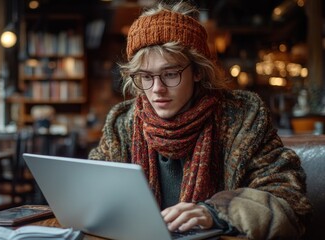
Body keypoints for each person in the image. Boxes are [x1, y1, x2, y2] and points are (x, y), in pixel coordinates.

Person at [88, 1, 312, 239]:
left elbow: (289, 202)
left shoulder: (243, 118)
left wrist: (215, 213)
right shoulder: (123, 122)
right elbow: (93, 193)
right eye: (145, 76)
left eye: (170, 74)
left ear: (197, 71)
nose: (157, 89)